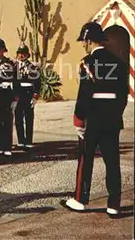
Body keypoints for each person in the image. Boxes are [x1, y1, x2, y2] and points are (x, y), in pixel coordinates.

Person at [61, 22, 128, 218]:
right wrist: (116, 115)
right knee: (112, 161)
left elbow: (84, 95)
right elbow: (123, 96)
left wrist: (79, 120)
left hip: (92, 119)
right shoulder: (119, 63)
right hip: (112, 119)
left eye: (84, 41)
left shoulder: (86, 63)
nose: (83, 45)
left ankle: (80, 200)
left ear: (89, 40)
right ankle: (114, 204)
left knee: (86, 158)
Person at [0, 38, 19, 158]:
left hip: (7, 96)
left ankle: (7, 147)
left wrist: (15, 99)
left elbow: (16, 81)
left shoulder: (10, 63)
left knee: (7, 122)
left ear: (4, 50)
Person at [14, 42, 41, 150]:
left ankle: (29, 140)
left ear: (27, 55)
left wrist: (35, 97)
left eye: (23, 53)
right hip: (18, 94)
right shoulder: (13, 66)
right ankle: (21, 140)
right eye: (19, 53)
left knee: (29, 118)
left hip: (28, 94)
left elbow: (37, 83)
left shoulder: (33, 67)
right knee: (18, 118)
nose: (21, 55)